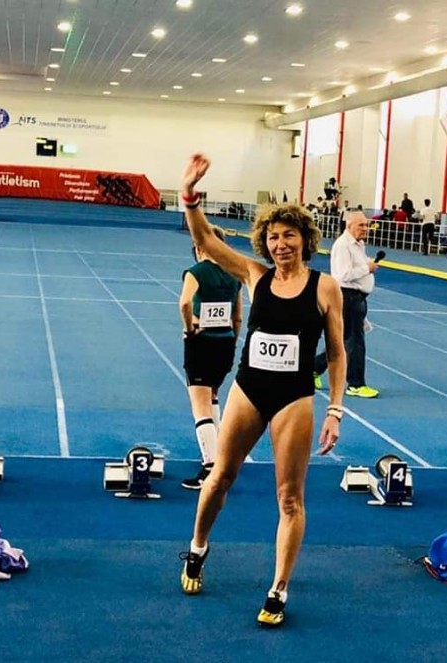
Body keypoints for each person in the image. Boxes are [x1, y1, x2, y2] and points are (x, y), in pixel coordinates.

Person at [178, 153, 345, 628]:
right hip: (249, 390)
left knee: (290, 498)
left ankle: (279, 587)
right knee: (221, 476)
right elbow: (206, 241)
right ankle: (197, 547)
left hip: (294, 396)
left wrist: (336, 410)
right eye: (273, 237)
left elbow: (337, 354)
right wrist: (189, 195)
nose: (280, 244)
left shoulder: (325, 288)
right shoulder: (255, 275)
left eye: (288, 235)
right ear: (264, 243)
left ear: (304, 239)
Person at [179, 226, 243, 490]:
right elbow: (238, 317)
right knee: (213, 396)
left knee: (200, 405)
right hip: (225, 342)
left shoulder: (196, 272)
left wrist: (189, 329)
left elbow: (185, 303)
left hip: (201, 343)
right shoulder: (234, 274)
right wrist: (232, 340)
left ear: (199, 247)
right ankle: (220, 455)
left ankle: (210, 467)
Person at [313, 212, 380, 398]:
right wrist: (367, 268)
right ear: (348, 226)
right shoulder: (343, 245)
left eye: (366, 225)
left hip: (357, 298)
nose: (365, 229)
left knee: (343, 339)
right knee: (355, 341)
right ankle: (356, 384)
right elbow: (342, 275)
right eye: (361, 225)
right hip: (348, 297)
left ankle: (314, 368)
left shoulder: (358, 244)